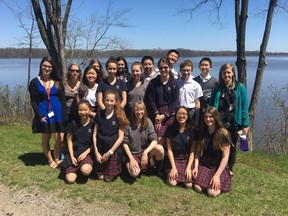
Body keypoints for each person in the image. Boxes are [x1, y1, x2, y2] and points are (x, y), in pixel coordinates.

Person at [210, 63, 249, 176]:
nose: (226, 74)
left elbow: (244, 106)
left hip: (234, 122)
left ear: (232, 73)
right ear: (221, 74)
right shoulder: (217, 88)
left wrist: (245, 124)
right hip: (220, 121)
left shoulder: (240, 87)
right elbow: (212, 105)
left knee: (232, 145)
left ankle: (229, 167)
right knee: (219, 144)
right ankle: (219, 164)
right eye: (224, 72)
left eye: (228, 72)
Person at [28, 56, 67, 169]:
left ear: (53, 68)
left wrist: (64, 114)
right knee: (46, 138)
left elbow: (63, 100)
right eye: (45, 66)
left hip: (57, 112)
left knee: (59, 138)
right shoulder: (35, 82)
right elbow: (34, 102)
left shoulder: (57, 82)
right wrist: (39, 115)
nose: (47, 68)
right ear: (41, 66)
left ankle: (56, 158)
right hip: (44, 113)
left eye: (49, 66)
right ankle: (50, 160)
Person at [193, 106, 232, 197]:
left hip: (218, 165)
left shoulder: (223, 133)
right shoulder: (203, 131)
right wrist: (195, 167)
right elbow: (198, 151)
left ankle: (220, 181)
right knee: (198, 188)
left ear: (216, 118)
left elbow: (225, 157)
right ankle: (207, 182)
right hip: (205, 163)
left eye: (210, 117)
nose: (208, 119)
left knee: (212, 193)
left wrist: (217, 175)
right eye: (206, 117)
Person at [93, 90, 129, 182]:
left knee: (108, 179)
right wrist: (96, 152)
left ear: (116, 102)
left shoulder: (119, 115)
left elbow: (121, 138)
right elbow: (94, 135)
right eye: (107, 100)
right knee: (100, 177)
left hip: (113, 149)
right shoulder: (99, 114)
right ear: (104, 100)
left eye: (112, 101)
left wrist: (109, 153)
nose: (109, 103)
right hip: (101, 147)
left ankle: (117, 166)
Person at [122, 101, 164, 178]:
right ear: (133, 111)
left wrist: (146, 152)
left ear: (144, 110)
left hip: (143, 151)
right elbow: (124, 143)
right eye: (136, 110)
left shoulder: (148, 121)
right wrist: (131, 158)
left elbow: (154, 140)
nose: (139, 112)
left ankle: (156, 170)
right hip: (132, 153)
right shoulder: (128, 123)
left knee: (160, 149)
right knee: (135, 173)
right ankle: (129, 164)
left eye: (141, 109)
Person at [144, 57, 180, 147]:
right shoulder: (153, 83)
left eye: (165, 67)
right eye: (161, 68)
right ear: (158, 68)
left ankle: (168, 160)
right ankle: (159, 160)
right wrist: (156, 115)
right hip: (156, 113)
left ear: (169, 67)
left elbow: (175, 102)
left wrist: (165, 115)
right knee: (159, 140)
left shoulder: (174, 83)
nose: (163, 70)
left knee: (170, 140)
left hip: (170, 114)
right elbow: (150, 99)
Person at [62, 100, 94, 184]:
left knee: (86, 170)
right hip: (74, 152)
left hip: (87, 153)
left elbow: (95, 143)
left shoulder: (93, 124)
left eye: (85, 110)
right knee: (70, 180)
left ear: (90, 110)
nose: (83, 112)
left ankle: (83, 167)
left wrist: (85, 154)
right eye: (80, 110)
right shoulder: (73, 123)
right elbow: (69, 140)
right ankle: (74, 169)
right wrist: (72, 156)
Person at [165, 106, 196, 188]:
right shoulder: (170, 128)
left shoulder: (191, 129)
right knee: (172, 183)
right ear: (175, 115)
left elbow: (193, 151)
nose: (181, 116)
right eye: (179, 113)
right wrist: (173, 167)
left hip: (186, 159)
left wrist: (189, 168)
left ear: (188, 115)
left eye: (184, 114)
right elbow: (169, 149)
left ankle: (181, 177)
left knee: (189, 185)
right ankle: (171, 173)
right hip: (173, 158)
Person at [178, 60, 203, 128]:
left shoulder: (196, 85)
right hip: (179, 111)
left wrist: (197, 119)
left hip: (191, 111)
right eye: (184, 70)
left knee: (191, 131)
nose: (186, 72)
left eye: (188, 70)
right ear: (180, 70)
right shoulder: (176, 83)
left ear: (191, 71)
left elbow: (197, 102)